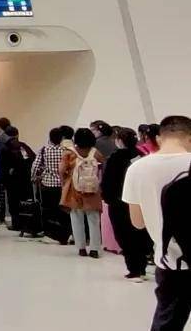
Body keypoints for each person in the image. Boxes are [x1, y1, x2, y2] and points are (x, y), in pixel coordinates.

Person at [124, 115, 191, 331]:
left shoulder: (136, 169)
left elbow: (137, 223)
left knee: (167, 321)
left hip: (169, 262)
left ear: (160, 138)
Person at [102, 127, 152, 281]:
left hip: (119, 202)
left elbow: (108, 181)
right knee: (139, 233)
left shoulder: (115, 158)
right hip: (139, 201)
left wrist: (107, 197)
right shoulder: (141, 156)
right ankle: (141, 268)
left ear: (119, 140)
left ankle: (134, 270)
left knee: (124, 235)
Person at [61, 128, 106, 258]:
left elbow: (62, 170)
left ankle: (81, 247)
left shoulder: (70, 153)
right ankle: (95, 249)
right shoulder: (95, 152)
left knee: (76, 218)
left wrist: (65, 182)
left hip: (75, 190)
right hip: (92, 190)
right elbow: (104, 166)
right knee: (94, 220)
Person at [33, 127, 72, 244]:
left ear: (50, 138)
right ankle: (65, 234)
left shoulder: (44, 150)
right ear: (61, 138)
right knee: (63, 211)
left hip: (48, 184)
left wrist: (33, 177)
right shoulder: (66, 150)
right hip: (62, 185)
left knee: (48, 210)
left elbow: (35, 165)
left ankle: (50, 233)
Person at [0, 126, 36, 231]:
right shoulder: (23, 146)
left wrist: (4, 179)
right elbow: (33, 158)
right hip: (25, 180)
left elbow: (1, 165)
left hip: (12, 181)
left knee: (13, 203)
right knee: (25, 201)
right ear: (17, 134)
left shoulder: (4, 148)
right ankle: (26, 223)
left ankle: (16, 224)